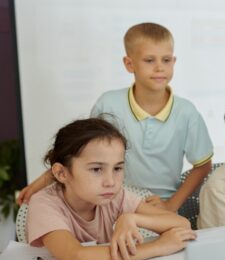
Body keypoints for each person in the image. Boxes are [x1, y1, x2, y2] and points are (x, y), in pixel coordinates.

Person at [17, 22, 213, 214]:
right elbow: (81, 152)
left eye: (166, 60)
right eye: (149, 60)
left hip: (158, 206)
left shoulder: (186, 112)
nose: (159, 68)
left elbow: (203, 165)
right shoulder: (109, 104)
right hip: (113, 203)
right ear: (129, 64)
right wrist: (41, 182)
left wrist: (171, 204)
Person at [27, 118, 196, 260]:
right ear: (61, 173)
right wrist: (158, 247)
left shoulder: (115, 196)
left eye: (117, 168)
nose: (111, 181)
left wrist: (132, 218)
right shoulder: (44, 203)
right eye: (96, 169)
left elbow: (181, 225)